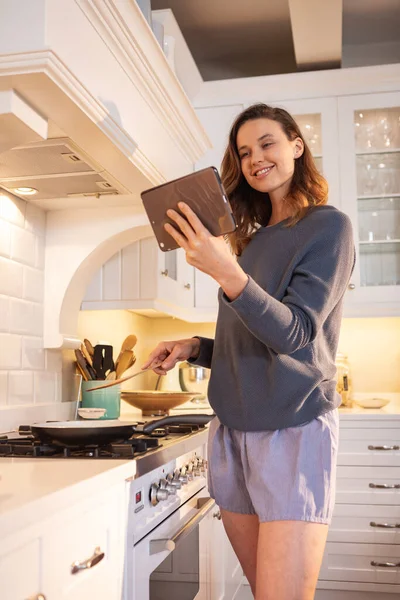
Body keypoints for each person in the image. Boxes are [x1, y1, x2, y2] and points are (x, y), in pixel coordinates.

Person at [142, 103, 355, 600]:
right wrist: (193, 347)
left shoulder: (329, 228)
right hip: (231, 432)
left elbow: (297, 335)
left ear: (296, 146)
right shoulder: (251, 243)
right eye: (243, 152)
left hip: (293, 428)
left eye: (266, 143)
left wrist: (226, 272)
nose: (255, 158)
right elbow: (254, 344)